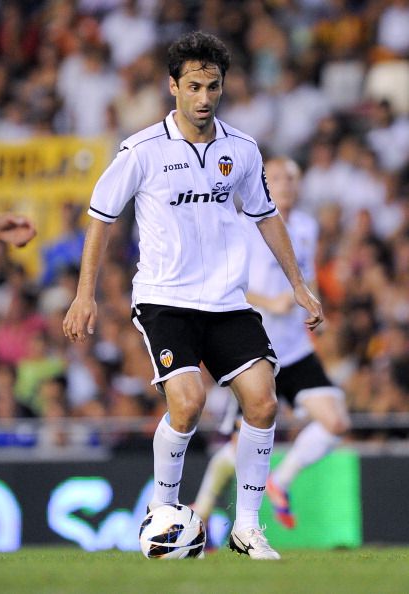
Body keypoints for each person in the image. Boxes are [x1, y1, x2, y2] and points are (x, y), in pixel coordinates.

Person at [62, 32, 323, 560]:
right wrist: (84, 294)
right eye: (195, 86)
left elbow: (267, 218)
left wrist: (298, 283)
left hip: (226, 300)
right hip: (165, 299)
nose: (205, 97)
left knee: (264, 398)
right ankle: (163, 515)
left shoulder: (242, 150)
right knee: (189, 402)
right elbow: (100, 219)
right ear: (173, 87)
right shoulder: (142, 151)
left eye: (214, 86)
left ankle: (247, 528)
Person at [192, 157, 350, 531]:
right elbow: (226, 283)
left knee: (335, 421)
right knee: (236, 447)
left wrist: (309, 305)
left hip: (294, 348)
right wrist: (269, 302)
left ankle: (280, 480)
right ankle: (200, 512)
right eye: (277, 177)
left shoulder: (307, 226)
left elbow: (304, 276)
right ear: (263, 183)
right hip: (254, 350)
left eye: (292, 178)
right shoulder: (244, 226)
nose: (286, 184)